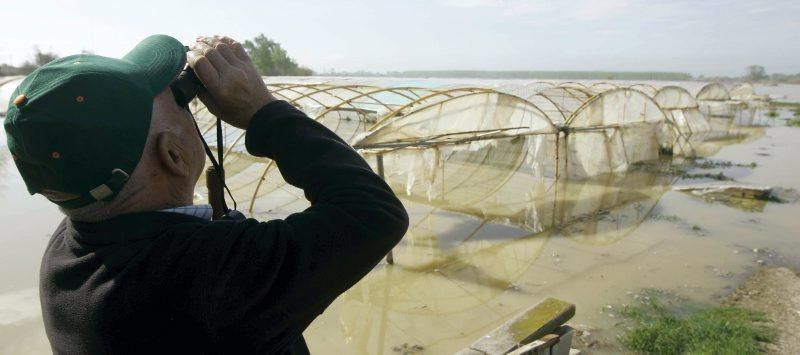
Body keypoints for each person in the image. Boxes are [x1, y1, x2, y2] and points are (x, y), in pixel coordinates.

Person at [3, 34, 408, 354]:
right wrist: (263, 111)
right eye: (182, 100)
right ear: (173, 155)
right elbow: (373, 214)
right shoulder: (209, 279)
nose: (192, 104)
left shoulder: (69, 251)